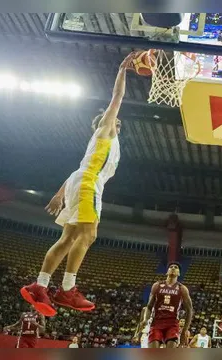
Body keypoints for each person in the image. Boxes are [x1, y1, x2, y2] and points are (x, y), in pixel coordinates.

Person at [20, 52, 137, 317]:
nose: (116, 120)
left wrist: (60, 194)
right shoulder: (106, 129)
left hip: (80, 182)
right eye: (113, 118)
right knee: (88, 235)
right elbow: (117, 99)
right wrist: (122, 70)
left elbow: (78, 170)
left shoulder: (104, 143)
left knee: (68, 238)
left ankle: (40, 286)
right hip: (88, 184)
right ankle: (67, 289)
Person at [137, 262, 194, 348]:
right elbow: (149, 306)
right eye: (171, 267)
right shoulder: (157, 285)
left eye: (176, 267)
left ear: (179, 273)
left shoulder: (182, 288)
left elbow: (189, 310)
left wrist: (184, 330)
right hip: (157, 322)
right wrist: (145, 319)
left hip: (172, 323)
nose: (173, 268)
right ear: (167, 271)